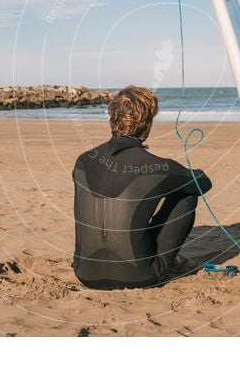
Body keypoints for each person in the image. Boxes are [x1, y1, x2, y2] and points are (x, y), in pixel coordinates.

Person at [72, 85, 212, 289]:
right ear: (147, 123)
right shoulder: (159, 166)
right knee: (187, 192)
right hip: (140, 277)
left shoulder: (83, 161)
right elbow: (202, 183)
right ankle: (165, 264)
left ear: (113, 118)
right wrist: (185, 173)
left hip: (84, 274)